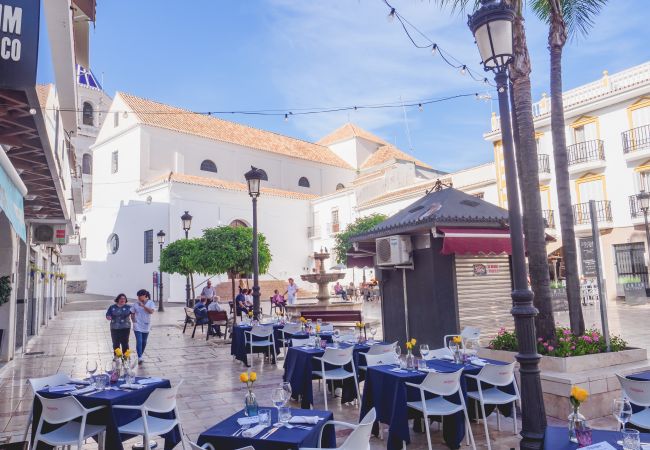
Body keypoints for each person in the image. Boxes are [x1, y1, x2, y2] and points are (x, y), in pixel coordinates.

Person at [131, 289, 155, 364]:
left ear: (145, 295)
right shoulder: (136, 304)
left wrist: (143, 306)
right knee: (139, 341)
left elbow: (151, 312)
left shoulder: (151, 303)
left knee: (144, 342)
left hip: (146, 325)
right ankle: (140, 357)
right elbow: (132, 312)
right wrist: (133, 321)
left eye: (139, 296)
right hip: (137, 325)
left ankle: (140, 354)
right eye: (138, 296)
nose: (138, 298)